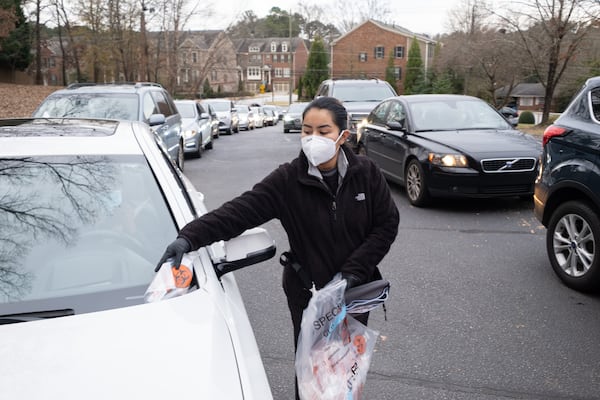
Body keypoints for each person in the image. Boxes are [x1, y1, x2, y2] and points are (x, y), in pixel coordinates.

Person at [156, 96, 400, 397]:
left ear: (343, 136)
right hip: (309, 295)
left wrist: (352, 273)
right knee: (312, 375)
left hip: (354, 292)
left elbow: (386, 226)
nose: (313, 139)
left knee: (343, 372)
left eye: (323, 131)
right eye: (307, 131)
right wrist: (189, 236)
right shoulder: (288, 180)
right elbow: (240, 211)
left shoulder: (367, 173)